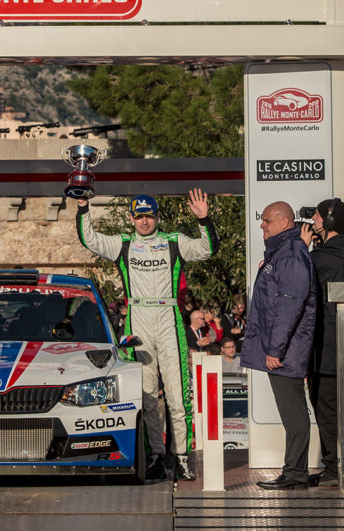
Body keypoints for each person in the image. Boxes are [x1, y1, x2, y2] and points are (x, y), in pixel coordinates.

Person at [74, 189, 218, 481]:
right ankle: (155, 455)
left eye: (149, 216)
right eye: (139, 216)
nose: (144, 222)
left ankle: (182, 457)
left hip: (168, 317)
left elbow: (207, 250)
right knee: (147, 396)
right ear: (131, 218)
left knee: (178, 396)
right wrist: (83, 207)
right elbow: (90, 239)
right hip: (137, 318)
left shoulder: (172, 241)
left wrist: (204, 221)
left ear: (157, 217)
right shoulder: (123, 244)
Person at [241, 201, 316, 490]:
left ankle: (295, 473)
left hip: (287, 351)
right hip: (285, 348)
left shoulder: (291, 255)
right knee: (292, 413)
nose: (262, 225)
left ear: (285, 223)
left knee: (294, 414)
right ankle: (293, 471)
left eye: (268, 221)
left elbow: (289, 307)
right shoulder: (285, 252)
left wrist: (276, 350)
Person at [299, 197, 344, 487]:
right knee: (343, 411)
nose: (310, 221)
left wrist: (301, 250)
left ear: (327, 222)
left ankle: (335, 468)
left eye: (315, 217)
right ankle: (341, 465)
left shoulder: (319, 259)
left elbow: (296, 281)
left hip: (326, 351)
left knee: (327, 411)